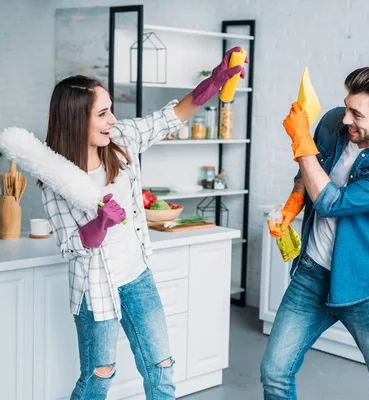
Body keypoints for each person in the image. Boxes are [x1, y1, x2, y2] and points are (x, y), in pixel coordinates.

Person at [41, 47, 248, 400]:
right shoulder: (56, 178)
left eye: (111, 111)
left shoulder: (120, 141)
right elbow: (69, 246)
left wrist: (213, 82)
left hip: (137, 276)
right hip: (95, 288)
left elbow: (169, 118)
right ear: (77, 120)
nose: (112, 120)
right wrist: (99, 225)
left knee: (162, 367)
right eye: (103, 113)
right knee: (98, 377)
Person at [261, 66, 369, 400]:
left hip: (364, 287)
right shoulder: (334, 122)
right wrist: (293, 203)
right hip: (311, 273)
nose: (346, 119)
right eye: (346, 107)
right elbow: (308, 176)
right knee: (274, 372)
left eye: (356, 114)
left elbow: (332, 203)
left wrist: (301, 142)